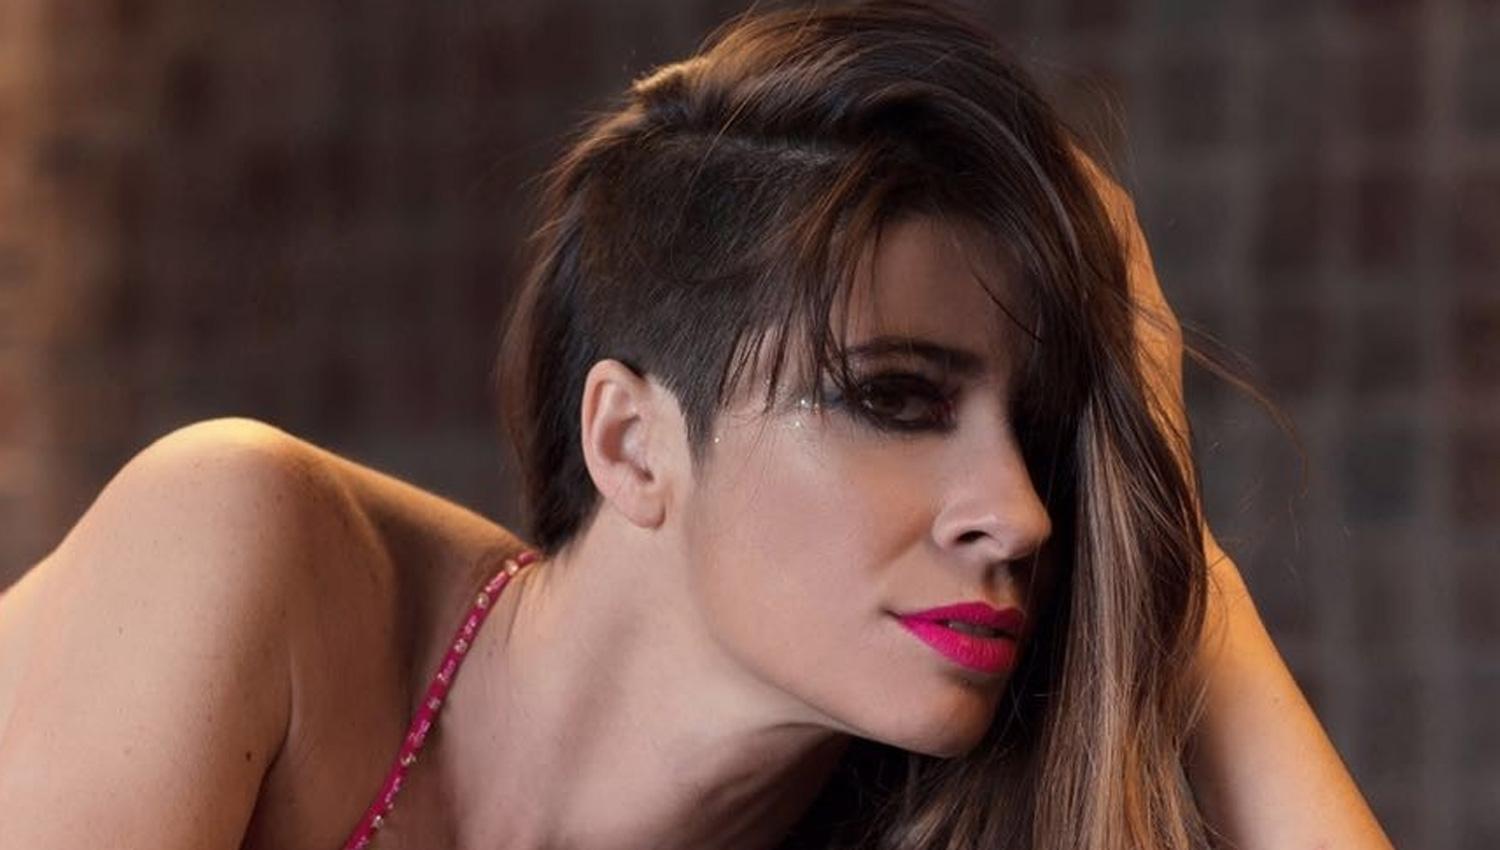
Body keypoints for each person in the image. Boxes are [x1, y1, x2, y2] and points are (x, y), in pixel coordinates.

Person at [0, 1, 1394, 848]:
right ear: (630, 442)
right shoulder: (241, 547)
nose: (1022, 513)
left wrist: (1171, 557)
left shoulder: (914, 811)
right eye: (896, 398)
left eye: (1033, 430)